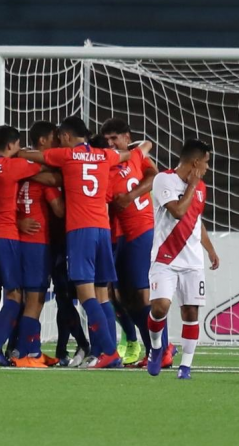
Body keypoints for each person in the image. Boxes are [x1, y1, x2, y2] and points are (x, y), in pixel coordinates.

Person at [18, 116, 151, 368]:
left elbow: (31, 156)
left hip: (81, 231)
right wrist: (140, 148)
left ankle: (109, 352)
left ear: (66, 136)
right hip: (103, 230)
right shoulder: (105, 155)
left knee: (84, 293)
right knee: (102, 294)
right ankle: (105, 352)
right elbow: (129, 154)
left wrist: (9, 156)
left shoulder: (66, 155)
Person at [0, 125, 54, 366]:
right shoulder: (14, 166)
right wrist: (23, 155)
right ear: (10, 145)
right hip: (5, 237)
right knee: (14, 295)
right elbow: (46, 167)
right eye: (17, 145)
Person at [147, 139, 220, 380]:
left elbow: (195, 221)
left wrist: (210, 249)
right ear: (195, 162)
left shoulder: (201, 187)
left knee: (191, 313)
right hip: (165, 258)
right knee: (160, 307)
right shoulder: (164, 179)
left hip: (192, 262)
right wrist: (193, 186)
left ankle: (185, 367)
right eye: (206, 162)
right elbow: (178, 212)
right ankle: (156, 347)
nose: (207, 167)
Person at [102, 118, 161, 367]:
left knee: (139, 295)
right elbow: (146, 147)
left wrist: (131, 195)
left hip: (138, 230)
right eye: (106, 140)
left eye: (114, 138)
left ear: (126, 137)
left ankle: (158, 347)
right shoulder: (129, 157)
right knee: (119, 296)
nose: (110, 143)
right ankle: (141, 342)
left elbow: (154, 175)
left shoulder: (132, 159)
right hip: (117, 233)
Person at [13, 121, 65, 368]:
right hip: (37, 243)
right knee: (35, 300)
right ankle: (24, 353)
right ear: (43, 141)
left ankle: (31, 350)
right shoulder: (44, 178)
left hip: (16, 241)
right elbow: (59, 210)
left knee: (21, 299)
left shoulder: (16, 170)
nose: (58, 141)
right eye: (54, 137)